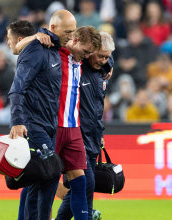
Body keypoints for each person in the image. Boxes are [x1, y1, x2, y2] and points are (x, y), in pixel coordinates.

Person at [17, 23, 102, 220]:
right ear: (75, 40)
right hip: (51, 127)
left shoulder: (82, 59)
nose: (88, 56)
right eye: (86, 51)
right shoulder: (55, 52)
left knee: (82, 181)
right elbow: (16, 48)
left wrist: (109, 64)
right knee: (38, 180)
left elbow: (105, 50)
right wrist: (36, 36)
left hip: (73, 128)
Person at [6, 17, 61, 220]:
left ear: (20, 38)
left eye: (9, 39)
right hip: (34, 125)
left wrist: (108, 63)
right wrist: (18, 121)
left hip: (46, 124)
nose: (8, 43)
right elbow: (17, 90)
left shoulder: (45, 49)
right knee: (47, 174)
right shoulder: (36, 51)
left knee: (33, 182)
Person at [56, 31, 114, 220]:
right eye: (101, 56)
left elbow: (97, 108)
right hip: (76, 134)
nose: (104, 60)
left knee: (81, 186)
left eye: (108, 57)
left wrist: (100, 132)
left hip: (93, 135)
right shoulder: (79, 64)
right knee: (85, 183)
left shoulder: (100, 72)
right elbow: (78, 40)